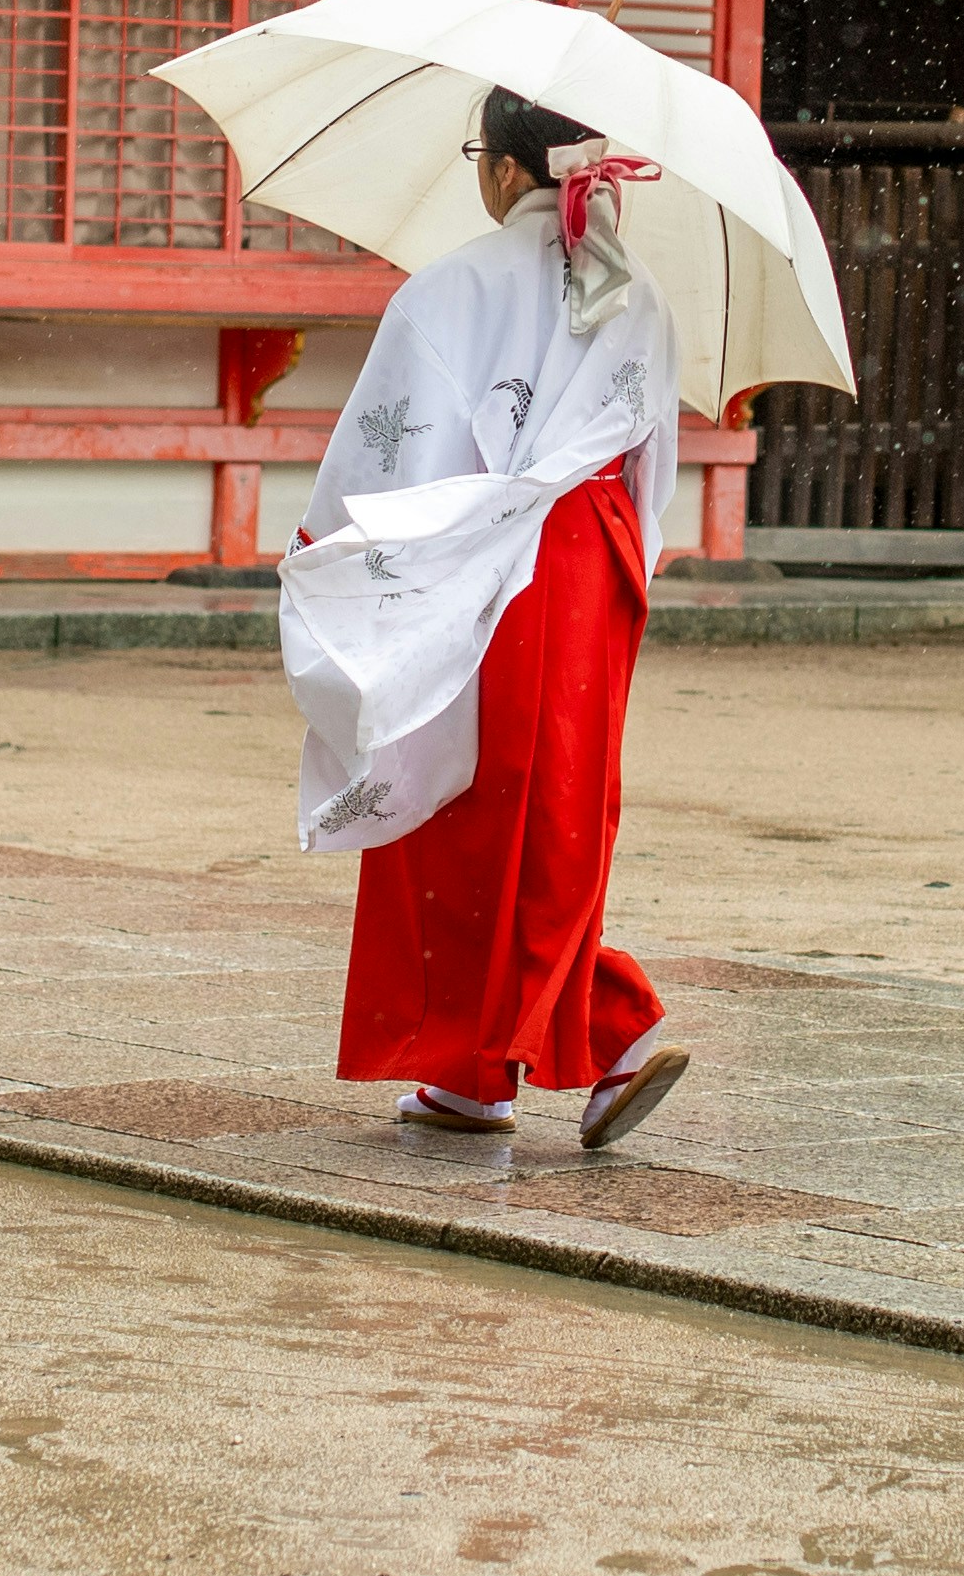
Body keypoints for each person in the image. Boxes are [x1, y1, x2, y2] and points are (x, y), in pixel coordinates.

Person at [274, 83, 691, 1149]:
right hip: (593, 558)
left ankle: (602, 1036)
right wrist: (619, 562)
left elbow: (394, 455)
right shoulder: (637, 292)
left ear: (504, 170)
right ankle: (477, 1072)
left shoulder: (450, 288)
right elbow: (651, 467)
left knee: (456, 800)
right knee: (559, 799)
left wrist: (337, 554)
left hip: (478, 557)